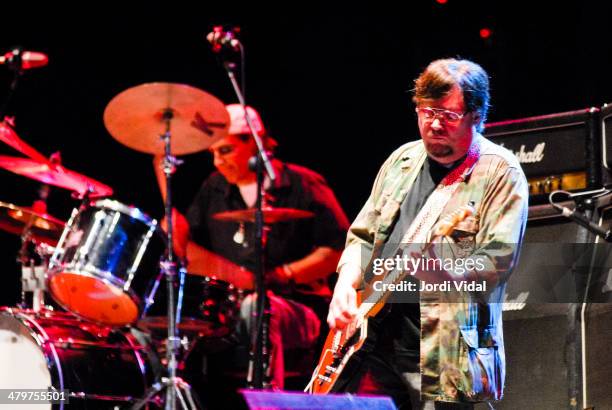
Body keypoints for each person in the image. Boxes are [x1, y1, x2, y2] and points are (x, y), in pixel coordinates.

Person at [326, 58, 529, 409]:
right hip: (370, 343)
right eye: (426, 112)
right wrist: (345, 284)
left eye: (448, 116)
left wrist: (440, 271)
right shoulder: (401, 160)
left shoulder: (500, 172)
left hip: (442, 352)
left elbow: (496, 263)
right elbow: (362, 235)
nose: (434, 124)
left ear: (477, 116)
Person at [160, 103, 349, 390]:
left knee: (256, 307)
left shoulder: (303, 183)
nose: (217, 162)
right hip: (232, 305)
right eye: (212, 153)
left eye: (225, 151)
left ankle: (267, 399)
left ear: (255, 144)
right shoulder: (215, 188)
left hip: (302, 307)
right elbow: (189, 246)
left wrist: (282, 275)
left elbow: (339, 250)